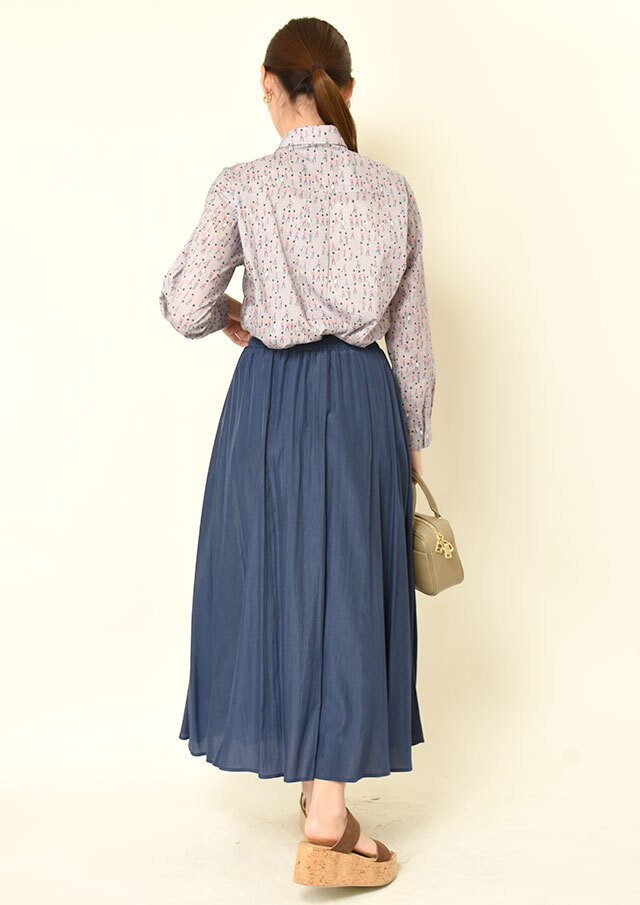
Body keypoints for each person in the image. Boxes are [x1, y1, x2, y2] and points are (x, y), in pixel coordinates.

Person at [158, 15, 436, 889]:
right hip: (362, 405)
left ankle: (320, 805)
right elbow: (412, 339)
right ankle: (327, 809)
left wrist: (236, 315)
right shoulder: (391, 191)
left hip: (272, 401)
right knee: (348, 587)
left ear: (269, 86)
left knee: (277, 581)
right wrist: (414, 444)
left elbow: (184, 303)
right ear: (347, 91)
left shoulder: (244, 185)